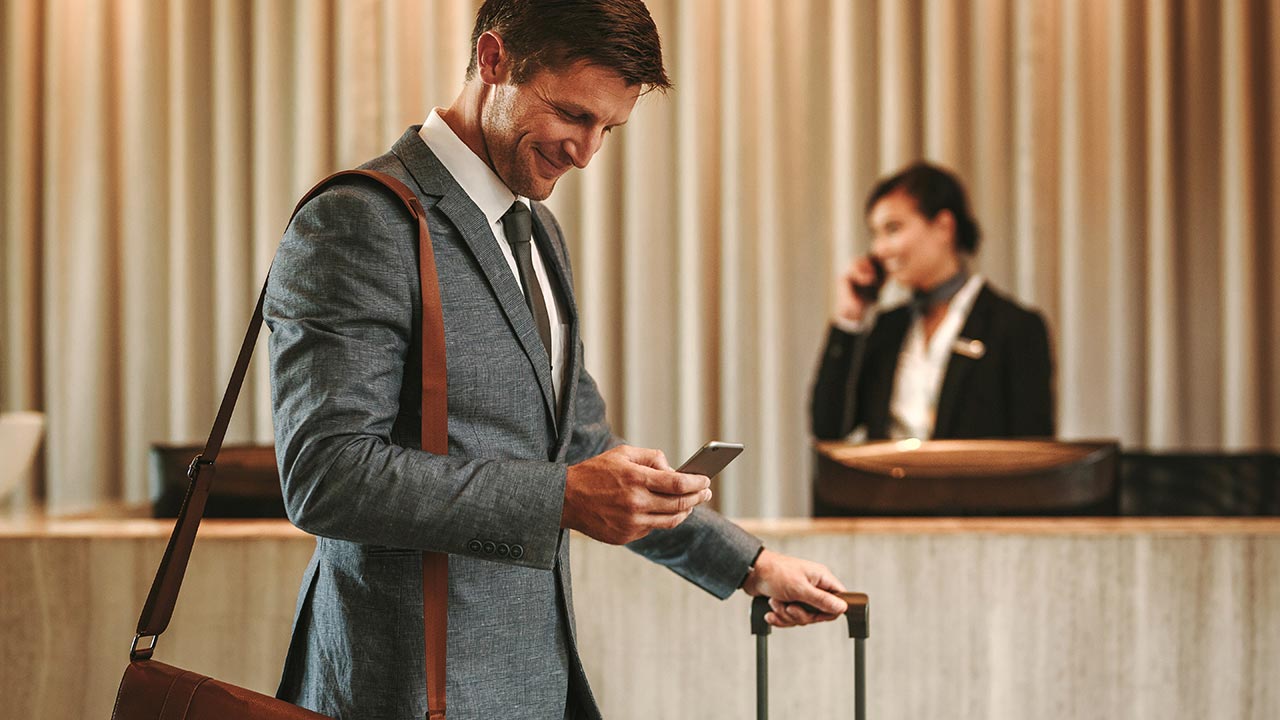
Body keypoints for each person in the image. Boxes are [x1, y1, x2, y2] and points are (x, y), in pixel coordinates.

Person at [265, 2, 848, 718]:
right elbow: (325, 475)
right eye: (573, 114)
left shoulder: (538, 233)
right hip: (406, 691)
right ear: (492, 61)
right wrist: (563, 496)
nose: (586, 152)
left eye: (609, 128)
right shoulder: (361, 220)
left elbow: (576, 443)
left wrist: (752, 566)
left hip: (537, 683)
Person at [810, 162, 1055, 442]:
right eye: (875, 235)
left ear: (943, 226)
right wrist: (850, 319)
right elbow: (828, 428)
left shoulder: (1014, 327)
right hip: (886, 486)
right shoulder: (889, 327)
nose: (879, 249)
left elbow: (1033, 453)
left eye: (893, 229)